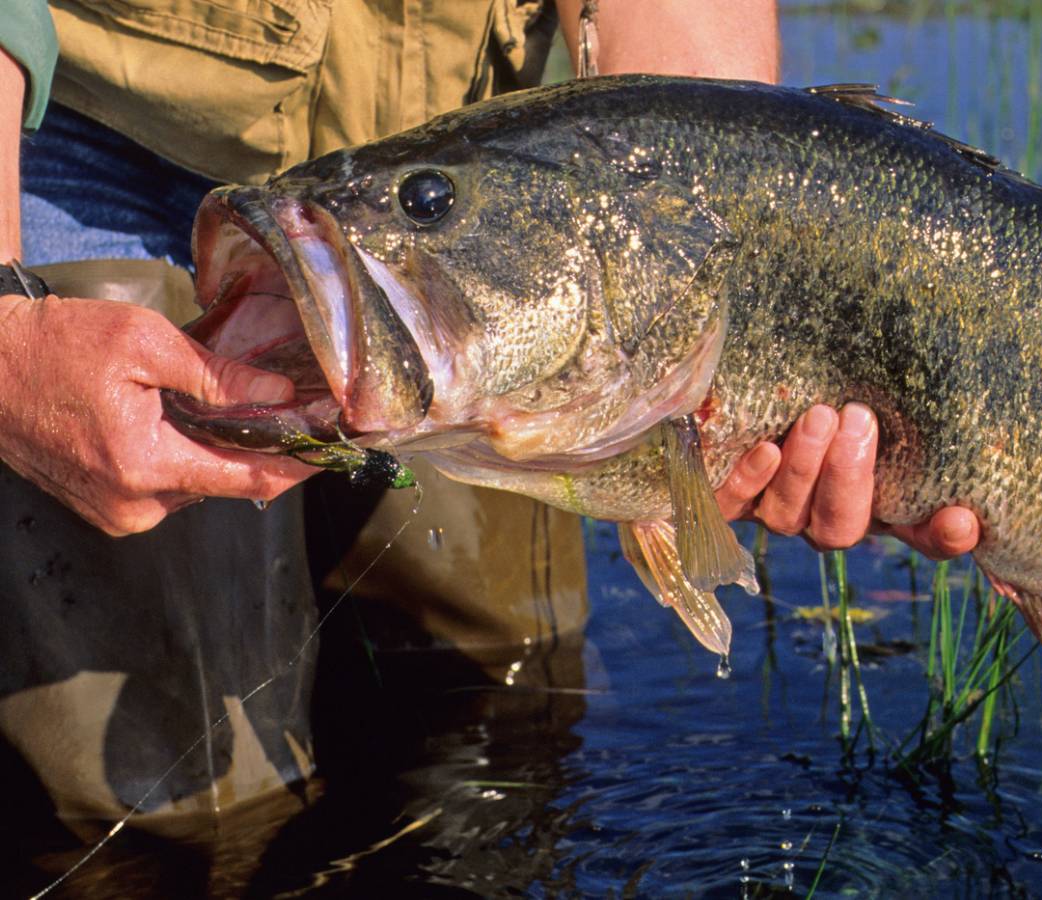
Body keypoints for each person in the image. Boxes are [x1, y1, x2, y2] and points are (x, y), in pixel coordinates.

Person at [0, 0, 981, 863]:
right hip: (78, 136)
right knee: (156, 806)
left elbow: (696, 122)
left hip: (461, 200)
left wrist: (719, 353)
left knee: (495, 716)